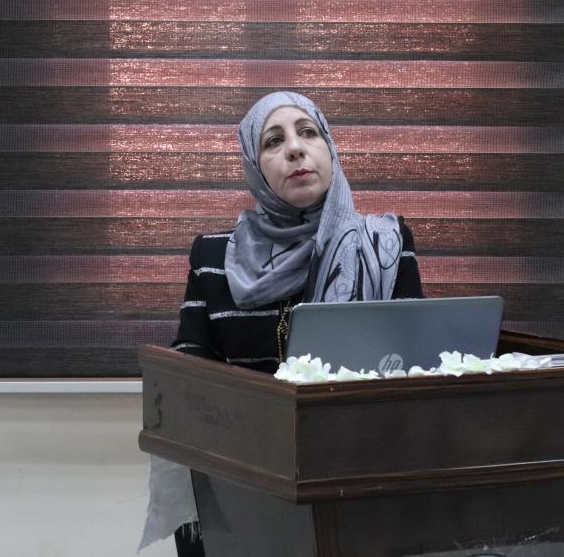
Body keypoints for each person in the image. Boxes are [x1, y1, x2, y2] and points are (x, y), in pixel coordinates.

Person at [169, 91, 423, 556]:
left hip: (362, 479)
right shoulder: (213, 257)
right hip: (248, 479)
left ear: (330, 148)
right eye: (273, 141)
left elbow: (419, 365)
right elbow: (189, 376)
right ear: (255, 167)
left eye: (308, 133)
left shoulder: (386, 244)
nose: (294, 148)